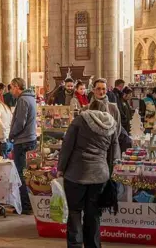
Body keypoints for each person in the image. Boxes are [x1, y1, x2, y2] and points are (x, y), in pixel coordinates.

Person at [57, 100, 120, 248]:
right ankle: (93, 245)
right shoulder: (112, 124)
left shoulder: (80, 121)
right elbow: (113, 151)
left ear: (89, 108)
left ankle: (75, 245)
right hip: (100, 175)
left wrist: (61, 168)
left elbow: (67, 146)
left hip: (76, 174)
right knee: (93, 214)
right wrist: (109, 172)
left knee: (74, 212)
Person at [8, 78, 36, 214]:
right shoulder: (30, 98)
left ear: (17, 86)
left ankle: (26, 206)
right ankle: (27, 204)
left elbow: (20, 122)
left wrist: (11, 135)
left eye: (11, 87)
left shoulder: (23, 100)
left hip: (23, 141)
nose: (10, 91)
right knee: (27, 173)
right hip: (29, 140)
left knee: (21, 174)